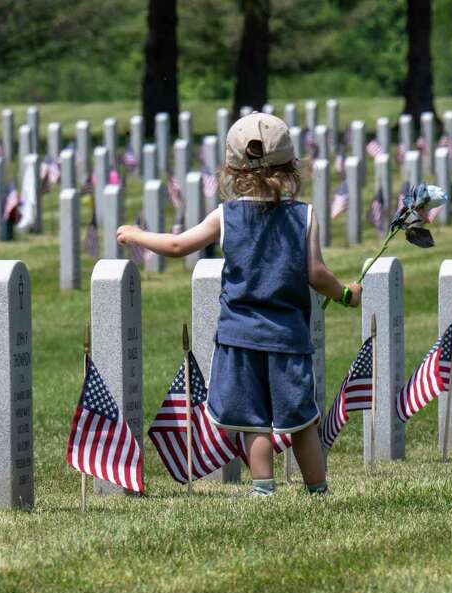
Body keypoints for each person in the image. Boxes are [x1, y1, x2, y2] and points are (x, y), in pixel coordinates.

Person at [117, 112, 361, 496]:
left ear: (232, 168)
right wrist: (345, 293)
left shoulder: (226, 215)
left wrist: (137, 234)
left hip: (239, 336)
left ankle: (263, 488)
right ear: (291, 165)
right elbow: (316, 273)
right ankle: (317, 489)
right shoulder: (304, 215)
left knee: (253, 423)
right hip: (288, 338)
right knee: (301, 421)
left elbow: (180, 246)